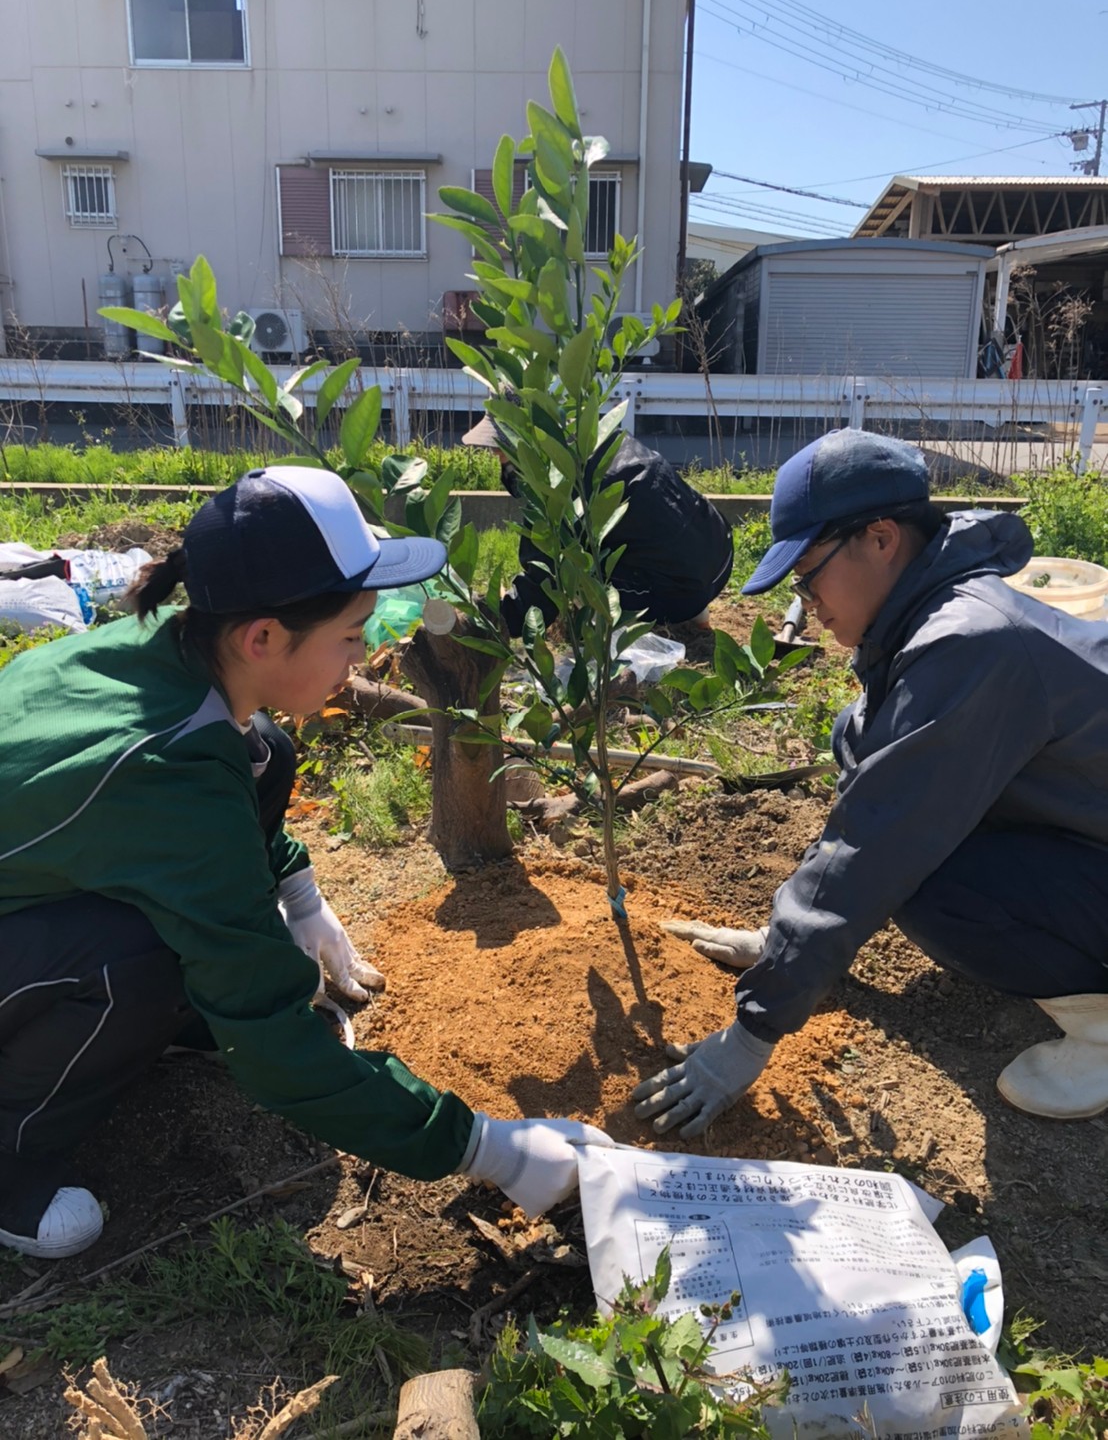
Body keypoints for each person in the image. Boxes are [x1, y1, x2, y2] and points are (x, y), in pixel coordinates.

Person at [0, 465, 610, 1259]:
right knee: (139, 960)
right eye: (351, 636)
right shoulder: (164, 770)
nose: (359, 660)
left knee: (268, 752)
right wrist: (485, 1148)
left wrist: (296, 887)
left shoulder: (168, 654)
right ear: (262, 637)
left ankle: (170, 1017)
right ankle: (12, 1169)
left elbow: (217, 806)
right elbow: (276, 1049)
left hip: (35, 894)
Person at [631, 428, 1108, 1138]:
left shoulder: (970, 644)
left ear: (881, 539)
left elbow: (875, 845)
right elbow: (878, 793)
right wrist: (784, 942)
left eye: (808, 573)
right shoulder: (933, 620)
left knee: (925, 877)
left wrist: (752, 1032)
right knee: (858, 741)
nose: (805, 601)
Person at [462, 408, 735, 638]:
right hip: (719, 554)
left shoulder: (555, 487)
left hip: (680, 591)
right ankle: (696, 618)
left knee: (574, 571)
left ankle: (628, 635)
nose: (496, 455)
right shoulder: (599, 437)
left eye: (502, 446)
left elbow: (543, 587)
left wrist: (493, 617)